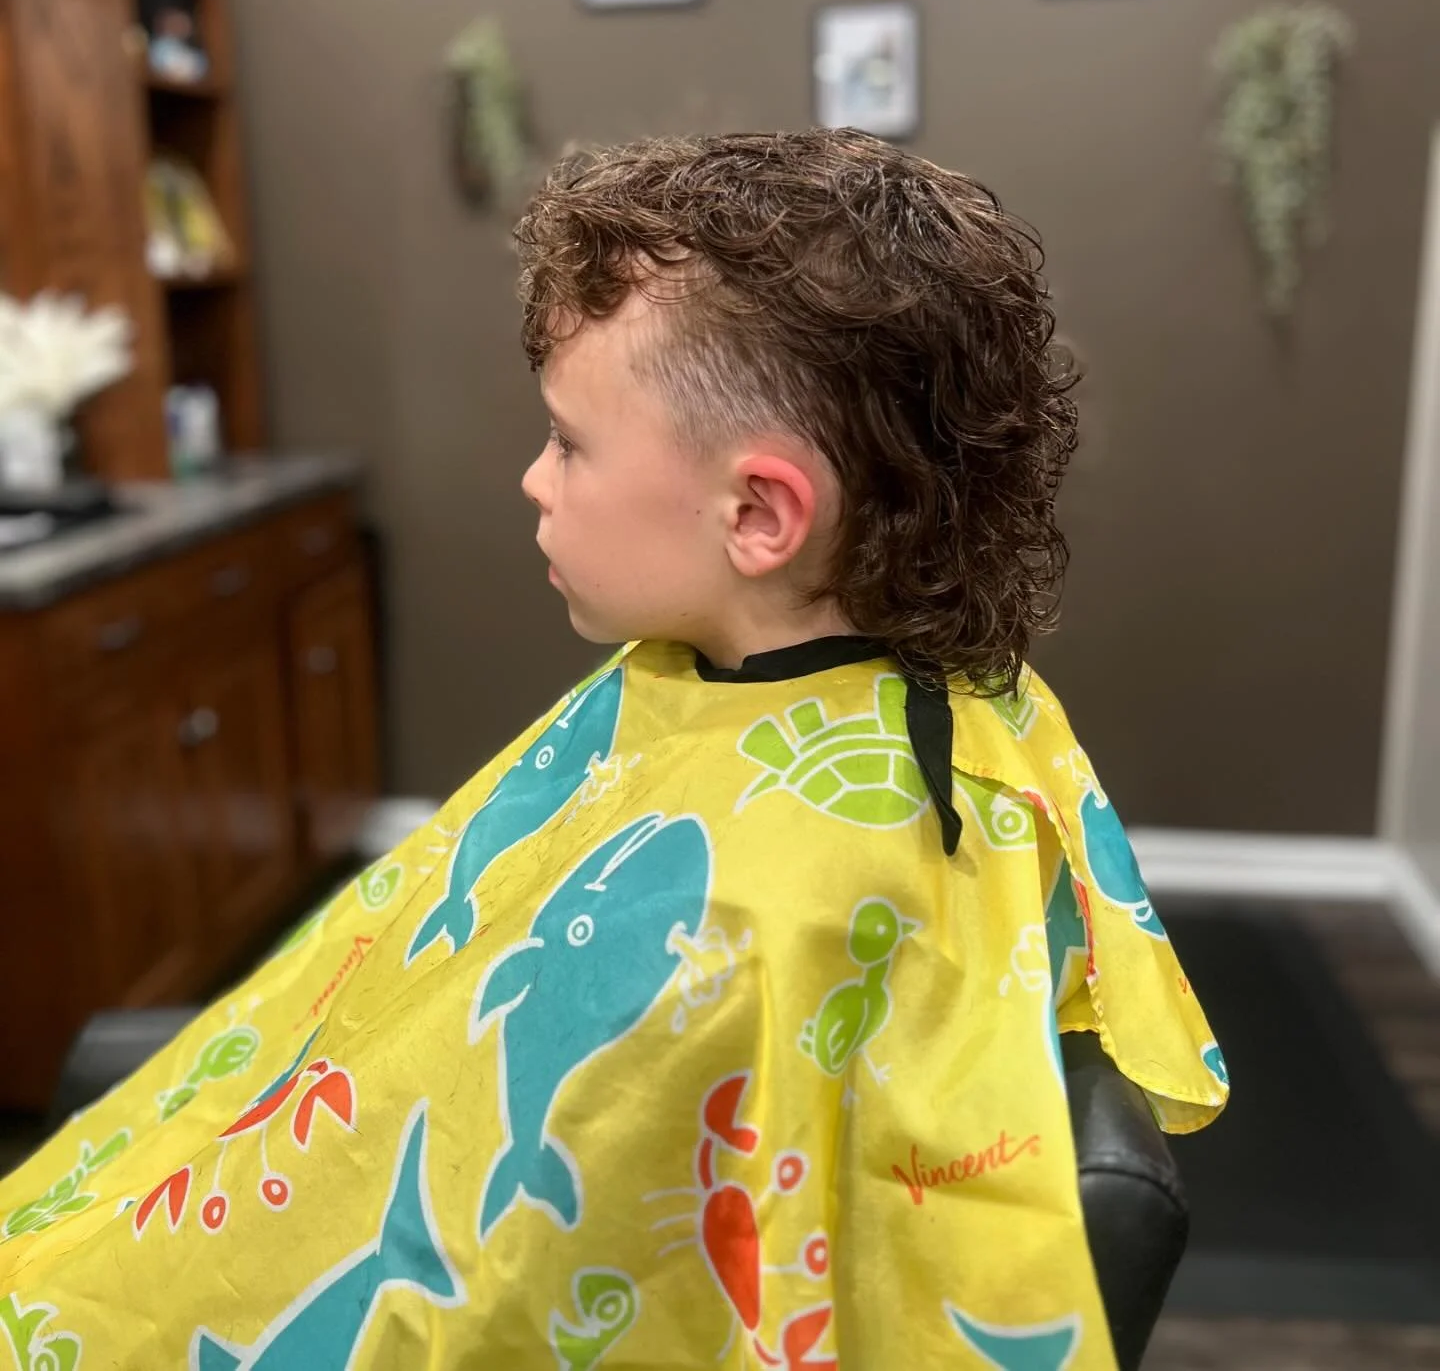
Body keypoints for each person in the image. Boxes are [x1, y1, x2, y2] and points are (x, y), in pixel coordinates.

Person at [0, 130, 1228, 1368]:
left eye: (570, 442)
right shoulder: (860, 694)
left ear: (758, 511)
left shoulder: (767, 912)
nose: (536, 480)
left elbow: (520, 1283)